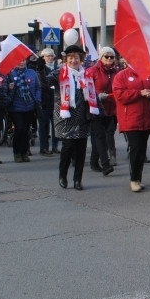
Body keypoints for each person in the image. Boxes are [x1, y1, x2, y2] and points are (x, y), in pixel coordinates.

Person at [45, 45, 98, 191]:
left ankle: (77, 180)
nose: (73, 60)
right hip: (66, 117)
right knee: (67, 148)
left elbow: (91, 93)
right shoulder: (59, 73)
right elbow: (44, 82)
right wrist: (39, 68)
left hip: (82, 118)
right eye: (70, 58)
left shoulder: (85, 74)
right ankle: (63, 175)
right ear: (66, 59)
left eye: (76, 58)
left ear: (80, 59)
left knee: (81, 150)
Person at [112, 58, 150, 192]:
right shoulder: (122, 75)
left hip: (146, 119)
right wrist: (139, 93)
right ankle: (134, 179)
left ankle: (138, 178)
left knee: (142, 150)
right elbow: (119, 95)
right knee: (135, 148)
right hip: (130, 118)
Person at [85, 47, 119, 176]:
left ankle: (94, 161)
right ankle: (105, 165)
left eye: (112, 57)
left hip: (111, 109)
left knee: (103, 135)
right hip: (96, 109)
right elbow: (86, 89)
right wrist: (96, 96)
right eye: (106, 57)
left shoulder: (116, 72)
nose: (109, 59)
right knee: (100, 136)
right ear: (101, 58)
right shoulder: (92, 71)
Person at [7, 57, 40, 162]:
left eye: (23, 60)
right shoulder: (10, 73)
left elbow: (38, 87)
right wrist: (10, 87)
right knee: (19, 128)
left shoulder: (31, 72)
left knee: (26, 130)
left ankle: (24, 152)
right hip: (16, 107)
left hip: (29, 106)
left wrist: (38, 99)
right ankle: (17, 152)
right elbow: (6, 89)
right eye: (18, 61)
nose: (21, 63)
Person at [31, 48, 59, 155]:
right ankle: (44, 147)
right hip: (44, 100)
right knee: (44, 125)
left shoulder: (57, 69)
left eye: (52, 56)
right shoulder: (40, 69)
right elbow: (41, 84)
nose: (50, 58)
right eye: (48, 56)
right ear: (43, 58)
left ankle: (55, 146)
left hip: (55, 100)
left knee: (56, 125)